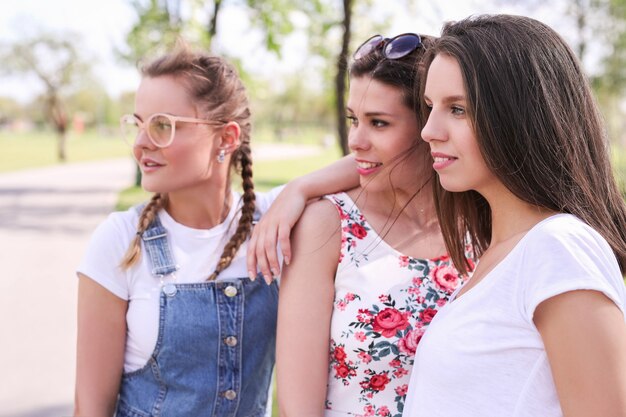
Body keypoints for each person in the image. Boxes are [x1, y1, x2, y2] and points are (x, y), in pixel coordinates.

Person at [73, 42, 356, 417]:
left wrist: (300, 189)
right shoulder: (121, 240)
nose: (141, 143)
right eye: (138, 124)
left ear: (226, 138)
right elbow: (90, 409)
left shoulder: (272, 225)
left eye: (162, 126)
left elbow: (373, 162)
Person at [403, 14, 626, 417]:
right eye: (430, 107)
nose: (428, 130)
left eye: (457, 109)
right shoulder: (502, 251)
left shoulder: (558, 248)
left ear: (518, 116)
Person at [273, 33, 473, 417]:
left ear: (429, 127)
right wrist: (302, 187)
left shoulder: (484, 222)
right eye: (353, 120)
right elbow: (298, 409)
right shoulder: (328, 226)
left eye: (378, 123)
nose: (355, 141)